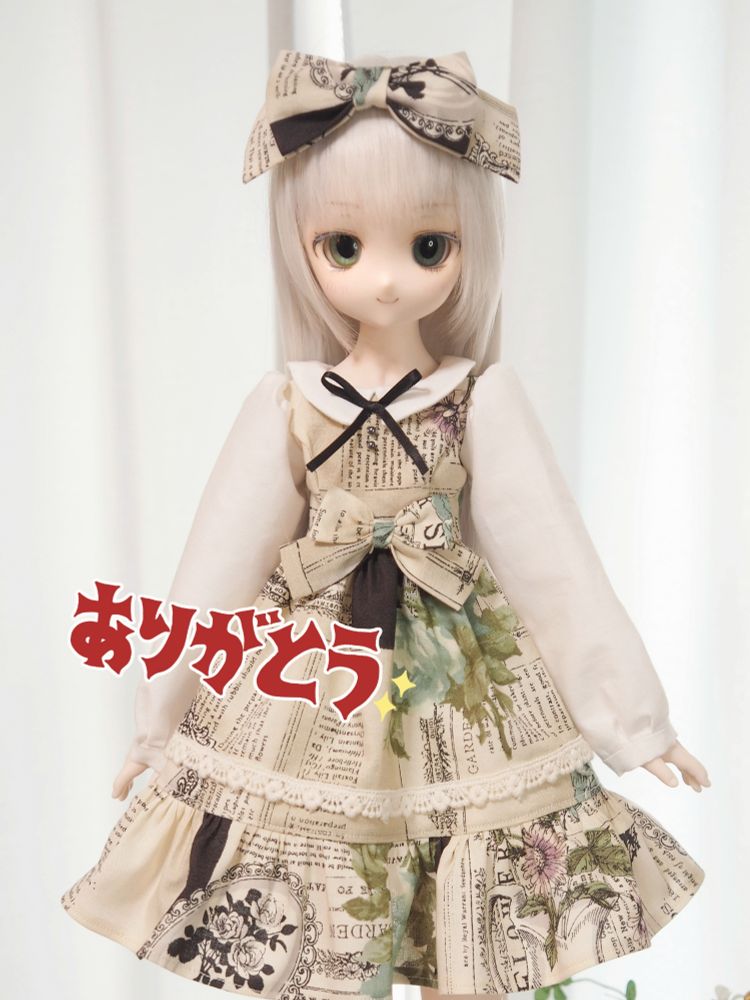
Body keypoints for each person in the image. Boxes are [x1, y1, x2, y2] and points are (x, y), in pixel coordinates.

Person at [61, 50, 709, 999]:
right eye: (345, 247)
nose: (389, 282)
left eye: (429, 246)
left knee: (469, 915)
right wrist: (159, 721)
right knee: (323, 914)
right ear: (305, 247)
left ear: (467, 245)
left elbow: (556, 569)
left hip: (457, 677)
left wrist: (636, 722)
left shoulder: (479, 398)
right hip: (313, 677)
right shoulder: (289, 403)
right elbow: (217, 569)